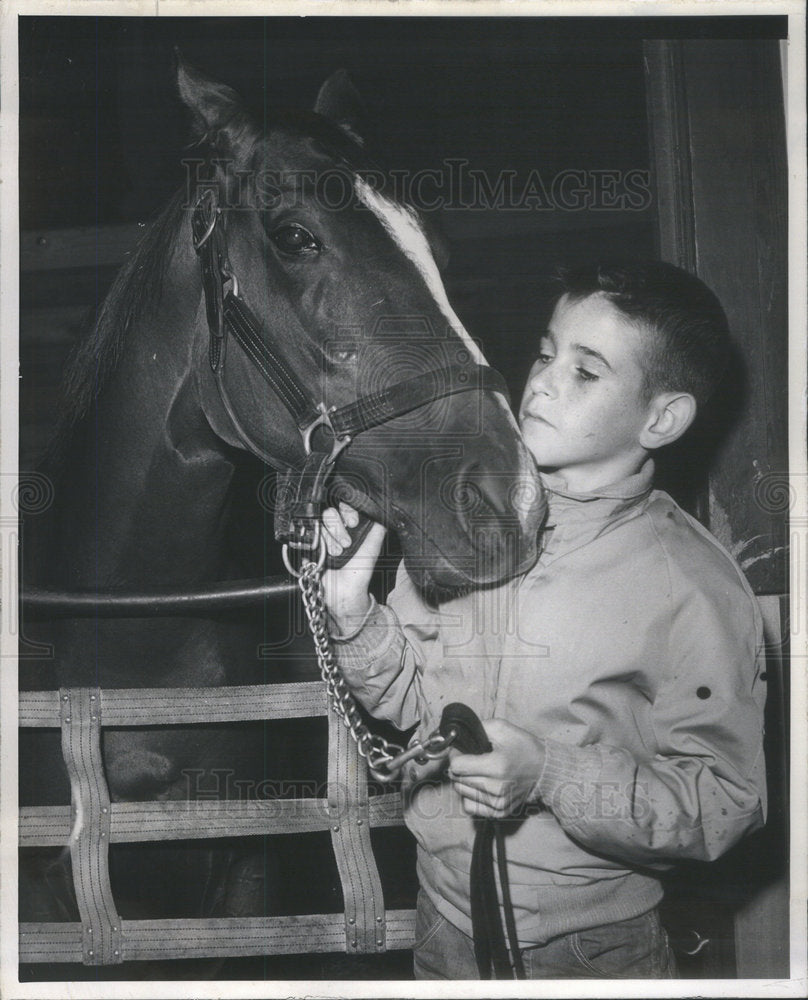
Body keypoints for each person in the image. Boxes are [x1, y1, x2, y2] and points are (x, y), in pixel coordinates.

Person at [319, 261, 767, 980]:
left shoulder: (694, 585)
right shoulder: (461, 522)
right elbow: (411, 706)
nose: (546, 381)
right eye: (547, 352)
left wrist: (549, 773)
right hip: (441, 923)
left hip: (592, 952)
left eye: (588, 373)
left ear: (663, 419)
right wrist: (351, 617)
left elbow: (723, 802)